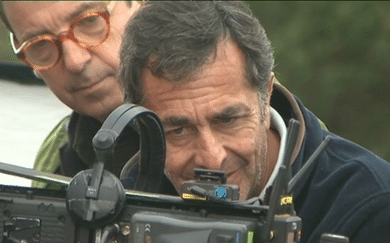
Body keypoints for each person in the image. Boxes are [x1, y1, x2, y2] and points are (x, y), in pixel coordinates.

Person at [118, 2, 390, 243]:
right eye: (178, 130)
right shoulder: (128, 201)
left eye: (227, 120)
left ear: (266, 94)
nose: (212, 159)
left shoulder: (369, 204)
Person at [0, 1, 143, 187]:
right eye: (40, 44)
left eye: (90, 20)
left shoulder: (187, 156)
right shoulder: (53, 160)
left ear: (142, 6)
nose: (75, 62)